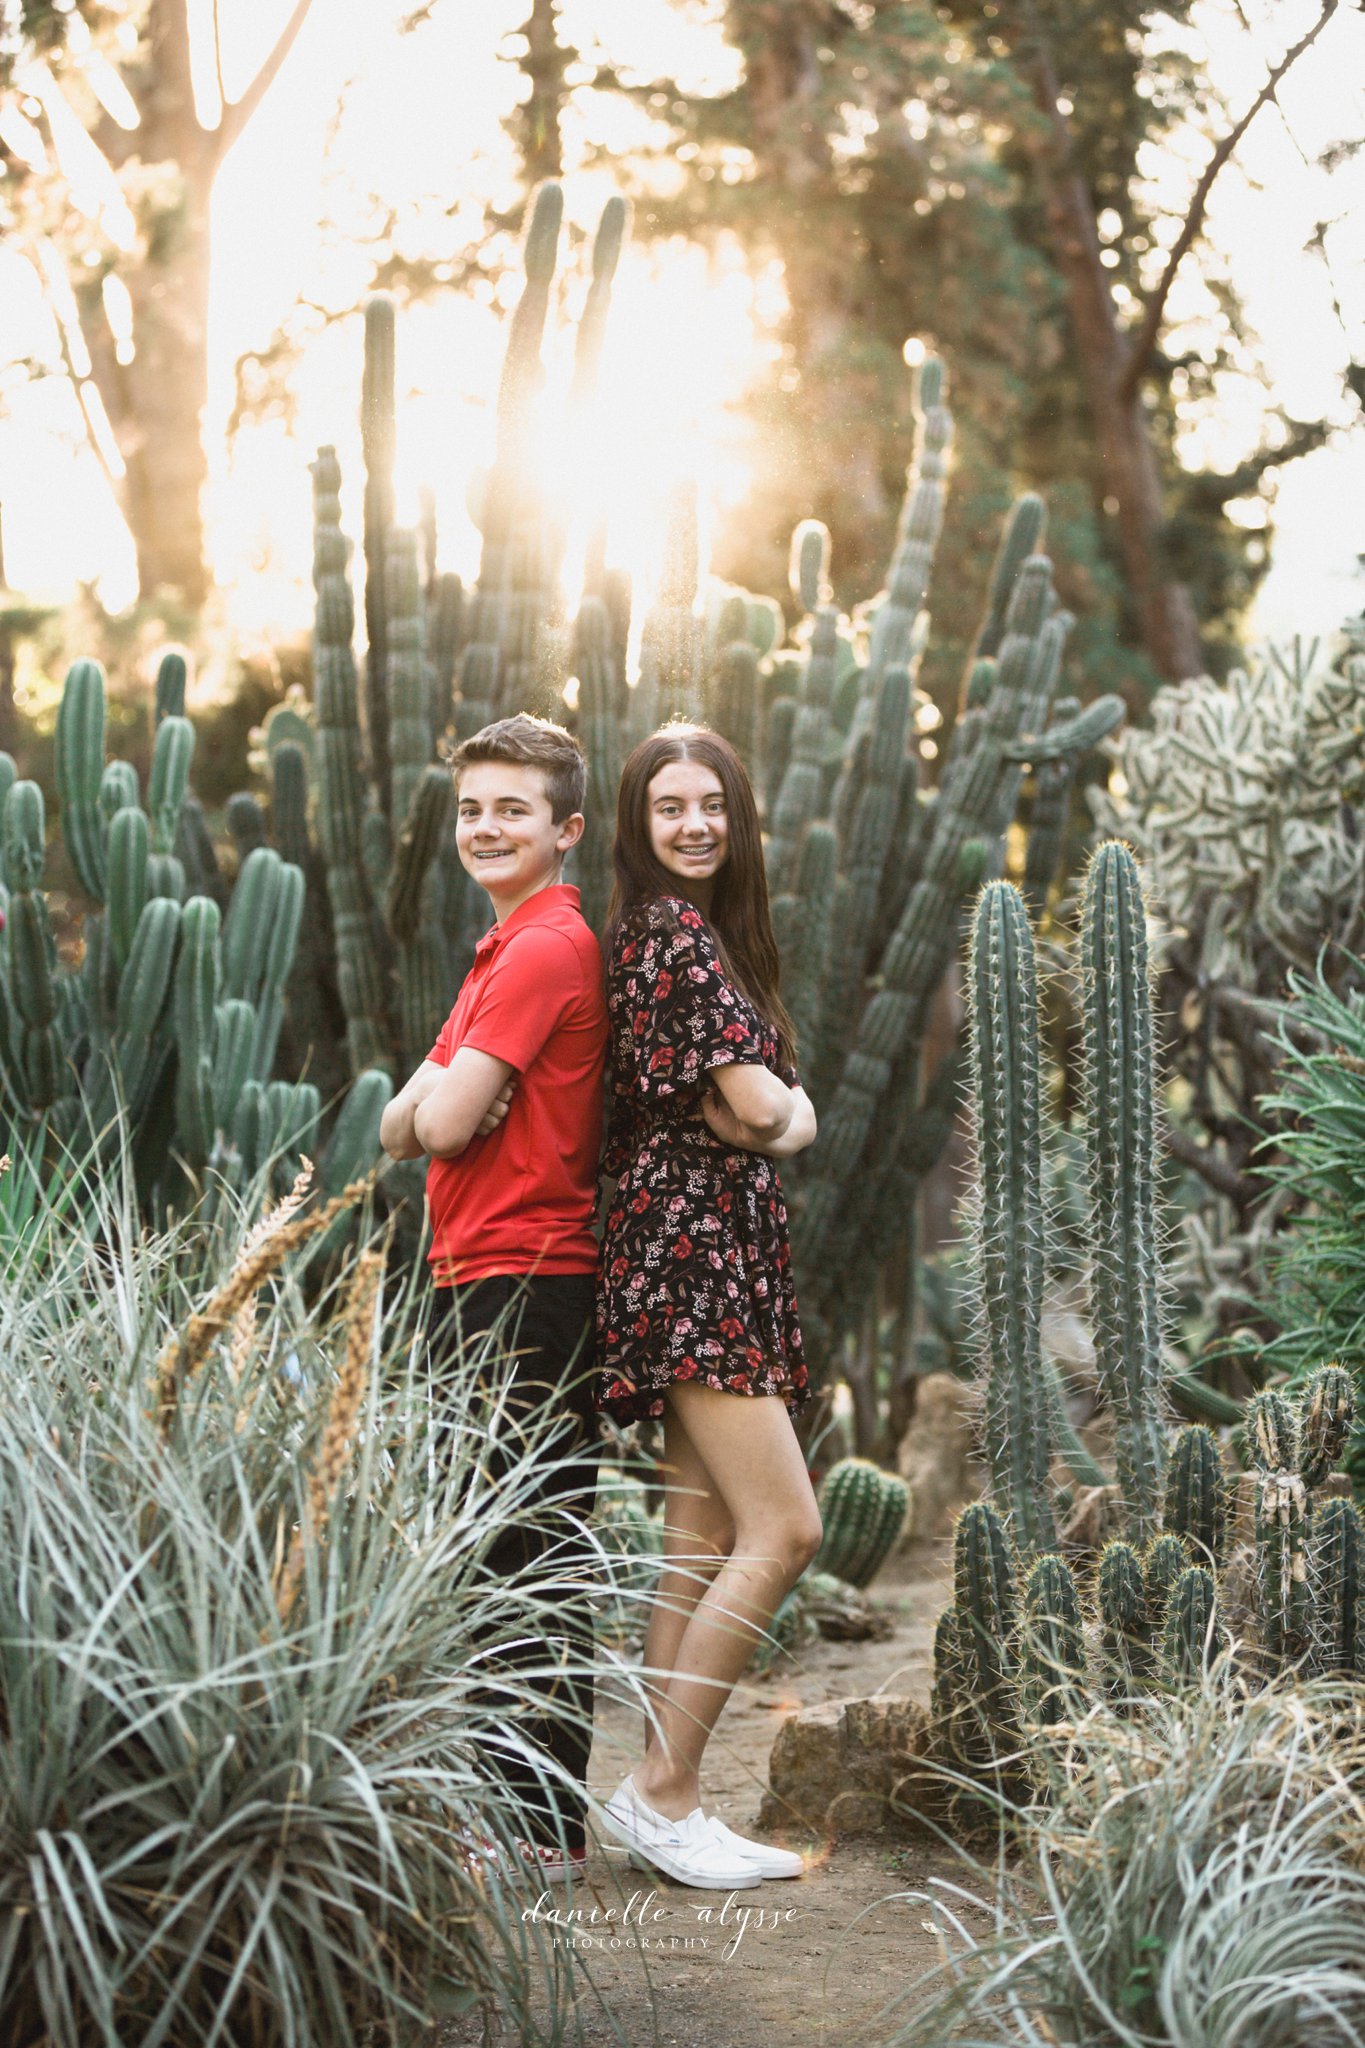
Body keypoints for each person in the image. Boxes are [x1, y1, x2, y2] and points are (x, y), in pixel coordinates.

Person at [379, 712, 608, 1885]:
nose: (486, 825)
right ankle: (518, 1811)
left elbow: (442, 1119)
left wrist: (447, 1102)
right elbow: (391, 1119)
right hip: (483, 1274)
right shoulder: (498, 950)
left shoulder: (542, 950)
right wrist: (438, 1103)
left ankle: (537, 1826)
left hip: (528, 1278)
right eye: (472, 806)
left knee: (527, 1543)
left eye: (514, 807)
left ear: (565, 828)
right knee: (495, 1538)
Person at [594, 723, 822, 1890]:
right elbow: (755, 1104)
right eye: (668, 805)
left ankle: (659, 1792)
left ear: (737, 817)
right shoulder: (673, 931)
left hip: (692, 1248)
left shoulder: (693, 938)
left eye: (713, 804)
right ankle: (664, 1790)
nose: (693, 824)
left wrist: (776, 1112)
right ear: (638, 824)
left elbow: (774, 1115)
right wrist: (776, 1107)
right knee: (785, 1528)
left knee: (697, 1539)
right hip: (693, 1255)